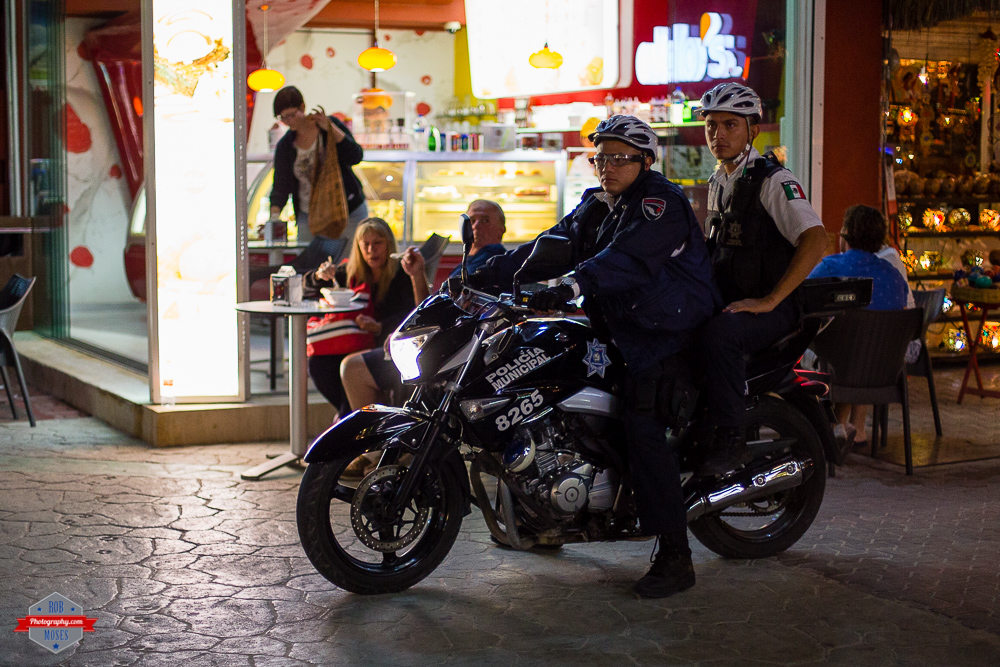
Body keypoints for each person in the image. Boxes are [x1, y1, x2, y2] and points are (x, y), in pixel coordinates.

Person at [473, 116, 720, 599]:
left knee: (640, 424)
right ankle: (546, 513)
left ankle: (675, 554)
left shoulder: (658, 204)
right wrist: (484, 273)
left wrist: (572, 285)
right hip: (620, 329)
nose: (605, 166)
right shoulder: (597, 206)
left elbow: (625, 259)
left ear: (645, 160)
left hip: (664, 333)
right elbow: (546, 248)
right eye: (600, 157)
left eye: (617, 157)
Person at [696, 82, 830, 476]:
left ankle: (732, 437)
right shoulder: (720, 180)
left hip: (775, 307)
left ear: (752, 130)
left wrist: (771, 300)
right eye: (711, 125)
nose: (718, 135)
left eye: (730, 125)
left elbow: (816, 238)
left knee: (719, 336)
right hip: (734, 300)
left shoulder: (773, 181)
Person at [340, 200, 508, 414]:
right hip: (434, 348)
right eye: (471, 220)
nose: (476, 226)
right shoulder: (466, 263)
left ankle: (377, 443)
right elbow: (431, 309)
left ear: (502, 228)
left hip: (447, 359)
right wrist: (417, 274)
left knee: (353, 368)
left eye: (485, 220)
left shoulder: (496, 263)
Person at [808, 205, 911, 449]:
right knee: (856, 347)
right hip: (885, 371)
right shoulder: (894, 275)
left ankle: (819, 429)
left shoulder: (830, 269)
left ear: (845, 233)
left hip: (839, 370)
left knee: (819, 350)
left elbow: (801, 302)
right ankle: (843, 426)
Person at [303, 218, 424, 421]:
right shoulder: (350, 271)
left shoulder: (401, 274)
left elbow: (411, 313)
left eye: (377, 243)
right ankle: (349, 416)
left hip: (384, 342)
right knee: (318, 363)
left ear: (388, 244)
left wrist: (379, 326)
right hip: (350, 341)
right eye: (365, 244)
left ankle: (346, 419)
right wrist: (318, 276)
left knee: (348, 365)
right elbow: (308, 289)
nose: (371, 250)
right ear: (358, 247)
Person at [270, 86, 368, 246]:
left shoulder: (328, 127)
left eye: (291, 115)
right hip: (309, 215)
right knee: (309, 265)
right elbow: (281, 184)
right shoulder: (286, 146)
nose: (288, 121)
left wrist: (331, 128)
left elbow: (355, 156)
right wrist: (274, 217)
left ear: (302, 107)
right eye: (283, 117)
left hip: (346, 210)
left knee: (350, 264)